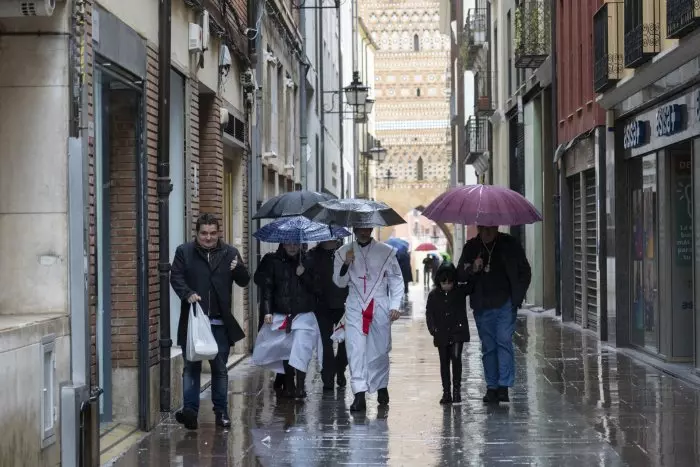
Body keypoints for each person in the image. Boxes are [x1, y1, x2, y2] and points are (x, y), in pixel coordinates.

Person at [170, 213, 250, 430]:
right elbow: (175, 277)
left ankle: (221, 412)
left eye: (213, 233)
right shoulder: (184, 252)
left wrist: (239, 269)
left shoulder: (230, 253)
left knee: (220, 369)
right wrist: (187, 293)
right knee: (191, 367)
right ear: (197, 233)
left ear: (219, 233)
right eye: (204, 233)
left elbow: (244, 281)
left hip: (219, 323)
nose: (208, 237)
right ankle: (190, 413)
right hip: (194, 323)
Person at [457, 226, 531, 404]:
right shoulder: (471, 247)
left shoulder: (510, 244)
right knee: (488, 346)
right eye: (483, 228)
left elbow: (524, 271)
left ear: (497, 227)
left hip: (505, 303)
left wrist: (517, 298)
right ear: (479, 228)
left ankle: (504, 386)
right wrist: (472, 268)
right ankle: (492, 386)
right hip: (482, 304)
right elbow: (459, 273)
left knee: (504, 341)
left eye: (491, 228)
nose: (487, 232)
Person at [333, 227, 404, 412]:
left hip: (380, 304)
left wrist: (395, 304)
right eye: (360, 228)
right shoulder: (343, 252)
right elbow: (339, 282)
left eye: (367, 227)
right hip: (355, 304)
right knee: (355, 349)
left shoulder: (386, 251)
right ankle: (359, 394)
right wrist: (347, 264)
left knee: (380, 349)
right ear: (355, 229)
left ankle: (381, 386)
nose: (364, 231)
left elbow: (396, 279)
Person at [252, 243, 321, 400]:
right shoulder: (272, 260)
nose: (292, 247)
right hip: (281, 314)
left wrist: (303, 275)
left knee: (302, 349)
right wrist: (268, 311)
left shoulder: (309, 260)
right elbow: (266, 287)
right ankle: (289, 385)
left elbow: (318, 288)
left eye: (294, 242)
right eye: (288, 243)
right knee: (287, 350)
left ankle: (301, 386)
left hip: (303, 315)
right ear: (282, 243)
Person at [305, 239, 349, 390]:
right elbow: (307, 281)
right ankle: (328, 375)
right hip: (321, 305)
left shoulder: (345, 253)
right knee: (326, 342)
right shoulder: (311, 256)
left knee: (346, 342)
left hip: (343, 304)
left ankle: (340, 368)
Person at [425, 263, 470, 404]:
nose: (447, 286)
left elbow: (472, 283)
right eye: (444, 283)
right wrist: (433, 329)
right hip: (441, 333)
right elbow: (429, 313)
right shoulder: (433, 295)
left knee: (456, 358)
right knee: (444, 362)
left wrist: (470, 269)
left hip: (457, 331)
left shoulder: (460, 291)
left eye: (450, 283)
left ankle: (456, 391)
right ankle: (446, 392)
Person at [253, 245, 286, 392]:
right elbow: (257, 279)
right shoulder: (270, 259)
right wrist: (268, 278)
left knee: (289, 344)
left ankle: (285, 375)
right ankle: (281, 373)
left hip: (291, 309)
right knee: (277, 343)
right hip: (273, 308)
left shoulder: (301, 260)